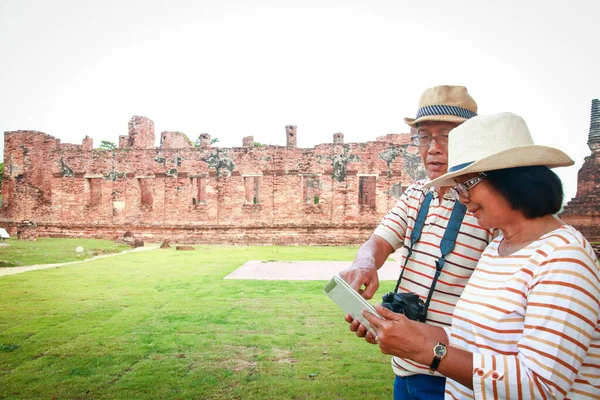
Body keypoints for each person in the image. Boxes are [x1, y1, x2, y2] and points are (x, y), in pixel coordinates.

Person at [358, 112, 600, 399]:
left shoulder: (563, 258)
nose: (461, 197)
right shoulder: (497, 250)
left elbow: (539, 386)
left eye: (467, 184)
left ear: (512, 179)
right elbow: (470, 340)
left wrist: (423, 350)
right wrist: (407, 331)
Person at [339, 85, 494, 399]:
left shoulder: (485, 204)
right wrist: (364, 264)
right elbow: (379, 240)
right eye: (424, 136)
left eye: (445, 136)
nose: (432, 148)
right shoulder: (417, 194)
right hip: (404, 367)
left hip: (452, 373)